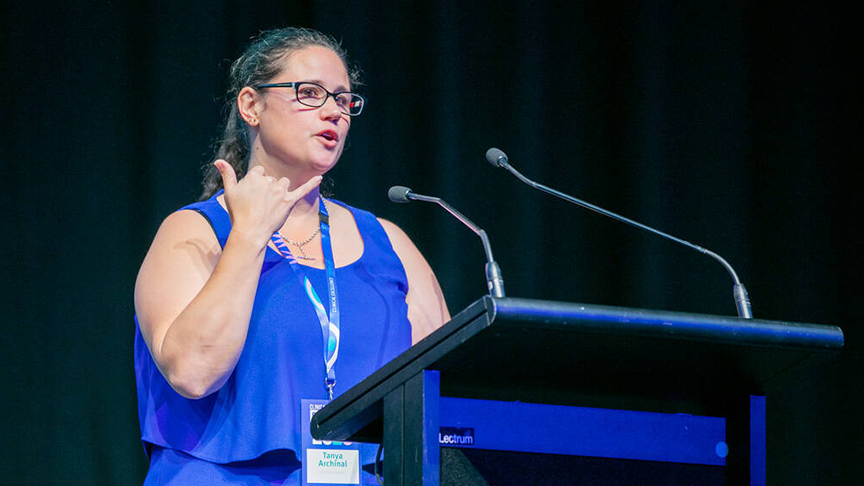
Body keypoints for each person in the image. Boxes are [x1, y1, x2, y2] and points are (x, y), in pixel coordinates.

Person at [133, 27, 449, 485]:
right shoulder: (195, 232)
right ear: (251, 105)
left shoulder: (389, 243)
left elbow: (449, 397)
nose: (334, 112)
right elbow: (194, 372)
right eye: (310, 93)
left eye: (343, 100)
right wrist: (248, 237)